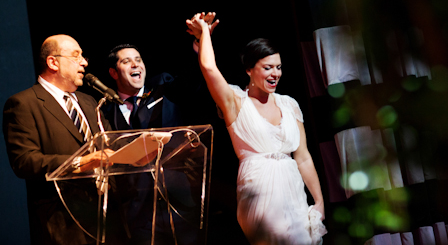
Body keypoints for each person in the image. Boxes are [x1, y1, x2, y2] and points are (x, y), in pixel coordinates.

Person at [186, 13, 328, 245]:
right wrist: (204, 39)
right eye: (268, 67)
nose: (276, 74)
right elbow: (209, 69)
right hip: (259, 191)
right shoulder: (235, 101)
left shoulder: (289, 104)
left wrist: (319, 201)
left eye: (279, 68)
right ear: (249, 70)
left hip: (294, 192)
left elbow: (302, 157)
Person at [103, 18, 217, 245]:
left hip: (179, 202)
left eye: (139, 60)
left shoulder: (163, 86)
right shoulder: (105, 109)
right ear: (114, 73)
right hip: (137, 214)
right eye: (127, 62)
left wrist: (200, 41)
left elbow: (194, 80)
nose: (136, 65)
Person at [2, 34, 125, 245]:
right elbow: (24, 161)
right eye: (76, 55)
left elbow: (111, 144)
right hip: (64, 223)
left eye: (83, 56)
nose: (84, 62)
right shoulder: (24, 103)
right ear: (53, 62)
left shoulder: (89, 101)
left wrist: (142, 147)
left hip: (109, 218)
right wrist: (80, 161)